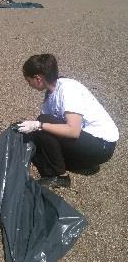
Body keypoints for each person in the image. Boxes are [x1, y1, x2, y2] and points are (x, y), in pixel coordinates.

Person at [17, 54, 119, 188]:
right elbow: (44, 134)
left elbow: (73, 131)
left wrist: (39, 125)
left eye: (28, 80)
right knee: (43, 133)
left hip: (102, 146)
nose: (28, 84)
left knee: (43, 122)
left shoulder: (68, 90)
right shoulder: (50, 95)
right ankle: (82, 164)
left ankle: (60, 176)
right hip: (88, 141)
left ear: (38, 78)